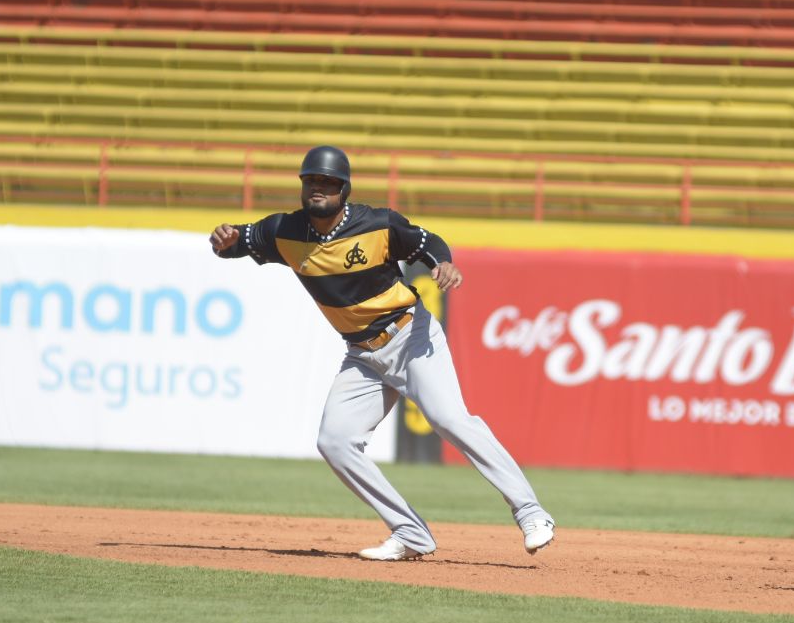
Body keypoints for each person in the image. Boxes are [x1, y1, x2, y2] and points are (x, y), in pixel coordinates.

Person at [209, 145, 555, 561]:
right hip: (361, 355)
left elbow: (428, 241)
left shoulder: (377, 224)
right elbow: (237, 240)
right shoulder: (284, 231)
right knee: (335, 441)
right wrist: (222, 239)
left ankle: (531, 511)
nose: (319, 187)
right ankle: (410, 532)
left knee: (449, 418)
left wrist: (442, 263)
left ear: (344, 189)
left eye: (328, 181)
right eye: (312, 180)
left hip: (409, 336)